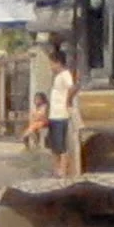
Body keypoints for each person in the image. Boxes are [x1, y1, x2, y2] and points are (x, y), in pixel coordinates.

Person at [47, 45, 78, 177]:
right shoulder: (57, 76)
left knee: (61, 145)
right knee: (53, 145)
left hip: (61, 114)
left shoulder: (65, 74)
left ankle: (63, 171)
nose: (50, 66)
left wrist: (68, 101)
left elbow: (72, 87)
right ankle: (56, 170)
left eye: (51, 63)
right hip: (53, 115)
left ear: (58, 62)